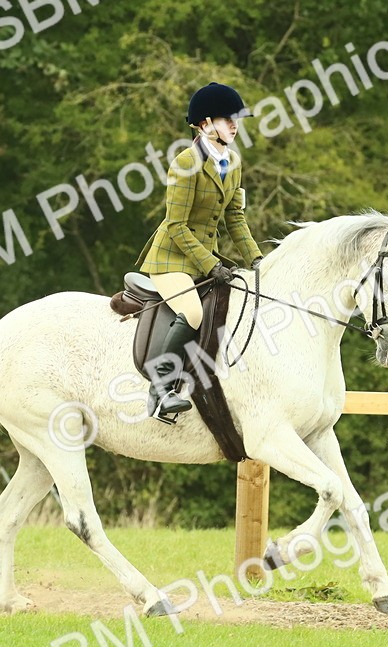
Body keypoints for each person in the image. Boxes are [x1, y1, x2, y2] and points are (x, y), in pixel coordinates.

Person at [134, 82, 265, 423]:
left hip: (205, 260)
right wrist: (210, 265)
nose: (235, 126)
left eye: (237, 120)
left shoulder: (232, 162)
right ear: (205, 124)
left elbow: (235, 217)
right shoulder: (185, 163)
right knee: (193, 314)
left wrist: (256, 259)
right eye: (228, 119)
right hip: (171, 259)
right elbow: (176, 226)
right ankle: (161, 390)